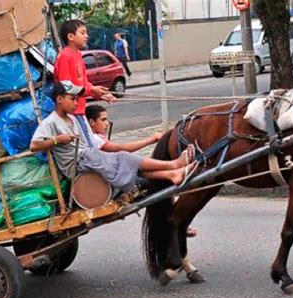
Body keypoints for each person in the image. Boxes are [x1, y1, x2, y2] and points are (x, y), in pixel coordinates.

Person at [30, 81, 195, 195]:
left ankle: (172, 175)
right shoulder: (50, 122)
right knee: (124, 158)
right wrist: (58, 140)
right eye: (72, 99)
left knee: (128, 166)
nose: (76, 103)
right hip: (78, 163)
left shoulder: (72, 118)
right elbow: (34, 145)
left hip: (88, 156)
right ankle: (172, 165)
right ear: (59, 99)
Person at [85, 104, 198, 238]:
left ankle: (173, 173)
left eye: (107, 119)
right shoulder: (94, 139)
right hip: (109, 181)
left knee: (140, 168)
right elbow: (120, 148)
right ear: (91, 122)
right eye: (103, 120)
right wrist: (151, 139)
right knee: (141, 169)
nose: (107, 124)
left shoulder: (98, 138)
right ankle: (176, 218)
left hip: (114, 174)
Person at [54, 19, 116, 148]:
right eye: (82, 33)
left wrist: (98, 92)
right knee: (88, 149)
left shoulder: (77, 55)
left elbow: (84, 82)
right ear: (71, 36)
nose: (86, 36)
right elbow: (66, 86)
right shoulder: (65, 56)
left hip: (80, 110)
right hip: (72, 112)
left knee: (90, 146)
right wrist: (90, 91)